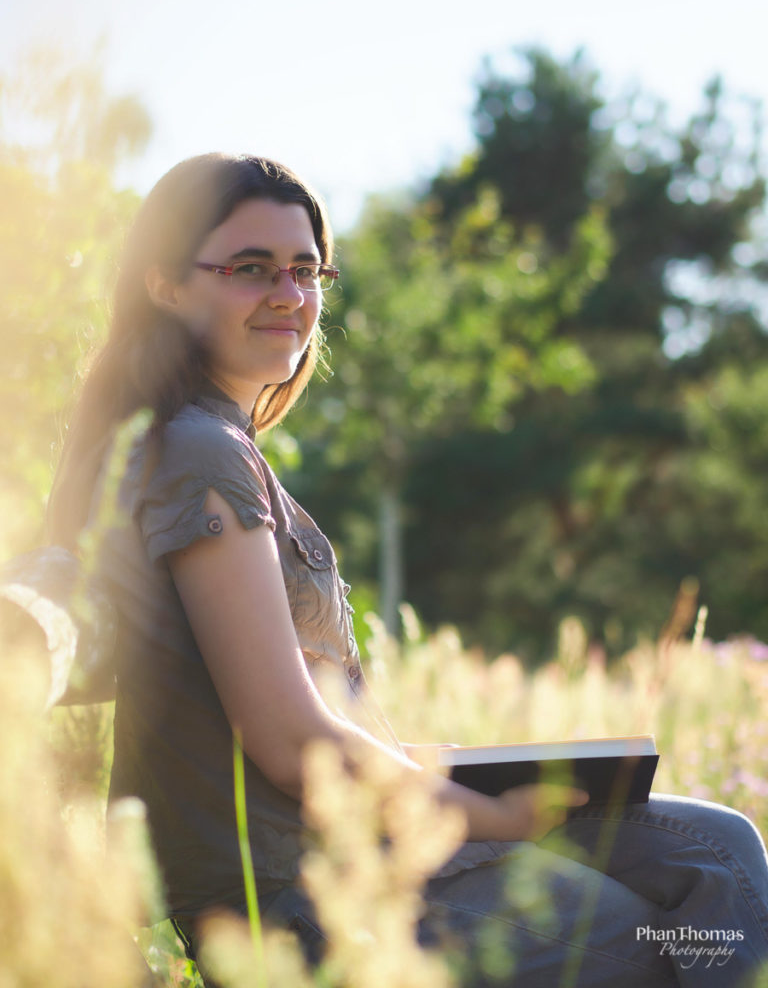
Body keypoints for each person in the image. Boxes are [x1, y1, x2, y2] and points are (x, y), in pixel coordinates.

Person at [47, 153, 768, 987]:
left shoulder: (221, 448)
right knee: (668, 943)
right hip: (306, 891)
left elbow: (296, 714)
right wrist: (482, 812)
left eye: (307, 269)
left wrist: (449, 771)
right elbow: (288, 743)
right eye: (250, 269)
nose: (290, 294)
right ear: (167, 285)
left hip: (350, 841)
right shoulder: (203, 458)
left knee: (720, 853)